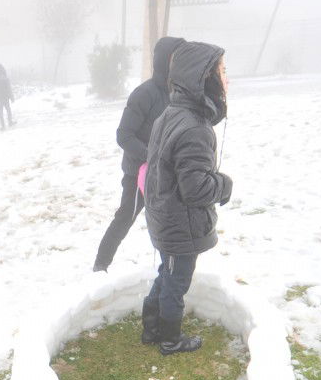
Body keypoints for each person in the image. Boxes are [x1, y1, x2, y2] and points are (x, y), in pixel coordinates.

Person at [141, 41, 232, 355]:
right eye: (221, 72)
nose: (227, 80)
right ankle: (169, 338)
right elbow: (196, 189)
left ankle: (151, 328)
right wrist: (225, 184)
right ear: (203, 77)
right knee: (176, 281)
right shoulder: (194, 127)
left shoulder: (171, 113)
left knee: (166, 273)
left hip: (165, 216)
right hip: (179, 223)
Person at [92, 36, 186, 272]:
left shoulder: (178, 94)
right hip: (139, 173)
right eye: (176, 59)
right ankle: (100, 265)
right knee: (126, 217)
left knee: (169, 222)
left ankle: (170, 271)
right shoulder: (144, 94)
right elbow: (124, 135)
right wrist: (151, 156)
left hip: (166, 173)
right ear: (164, 61)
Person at [0, 64, 15, 129]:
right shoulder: (5, 78)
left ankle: (3, 126)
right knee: (8, 110)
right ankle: (10, 122)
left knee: (0, 111)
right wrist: (12, 97)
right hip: (5, 97)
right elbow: (9, 89)